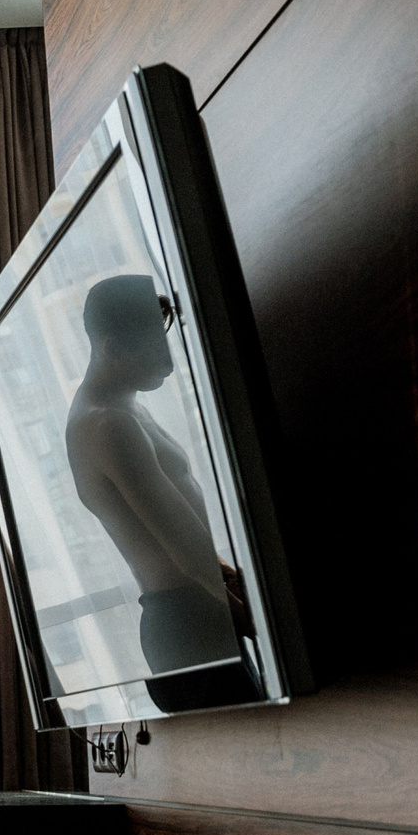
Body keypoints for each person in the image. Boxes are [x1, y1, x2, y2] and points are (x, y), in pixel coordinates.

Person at [65, 274, 258, 712]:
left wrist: (232, 580)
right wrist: (259, 618)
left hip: (204, 608)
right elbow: (184, 550)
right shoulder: (107, 425)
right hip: (187, 621)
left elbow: (190, 535)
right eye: (155, 349)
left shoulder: (124, 406)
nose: (169, 362)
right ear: (112, 347)